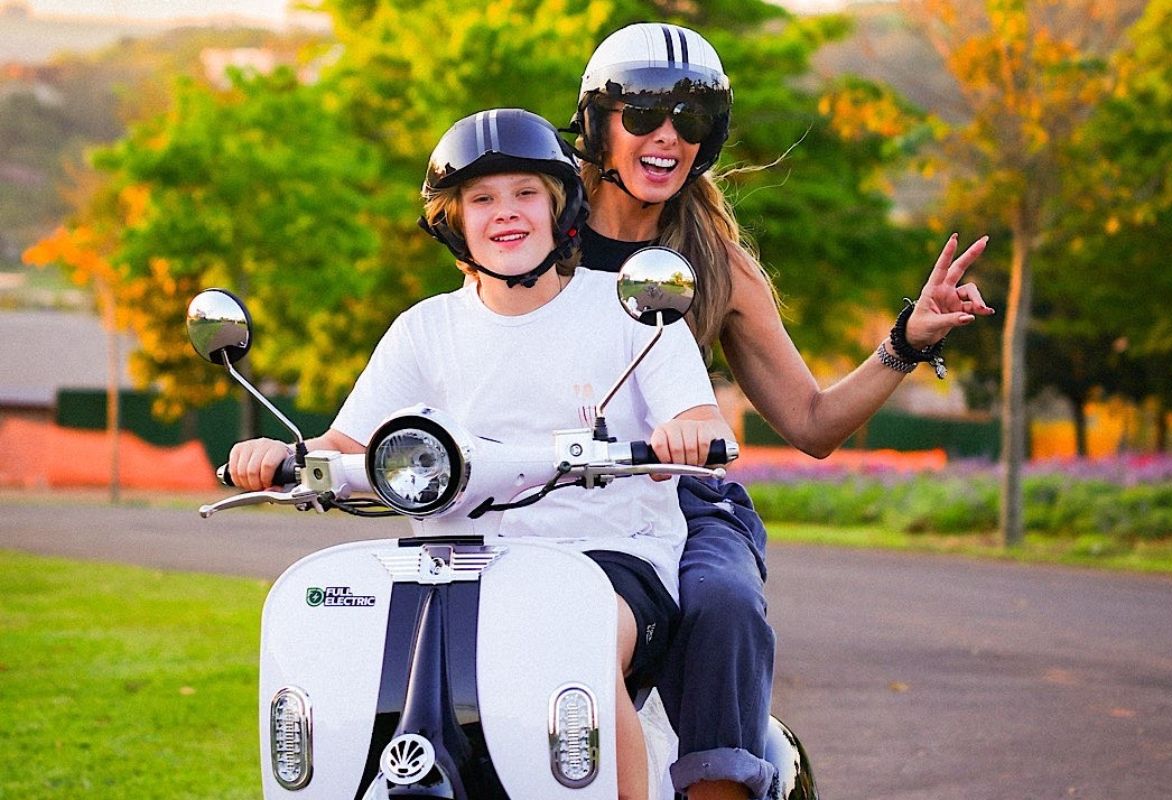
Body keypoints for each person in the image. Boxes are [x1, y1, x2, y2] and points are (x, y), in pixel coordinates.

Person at [225, 107, 736, 800]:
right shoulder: (425, 329)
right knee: (347, 659)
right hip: (449, 565)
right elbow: (344, 447)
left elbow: (700, 418)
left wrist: (686, 431)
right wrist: (280, 456)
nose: (506, 213)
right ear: (454, 222)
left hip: (607, 560)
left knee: (578, 642)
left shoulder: (630, 312)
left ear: (560, 209)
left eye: (526, 193)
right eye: (482, 199)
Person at [565, 22, 995, 800]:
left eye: (692, 119)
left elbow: (813, 423)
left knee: (724, 599)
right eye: (645, 114)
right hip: (547, 487)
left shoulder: (716, 262)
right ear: (598, 125)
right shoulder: (537, 239)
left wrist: (907, 340)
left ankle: (720, 788)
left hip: (678, 495)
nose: (668, 137)